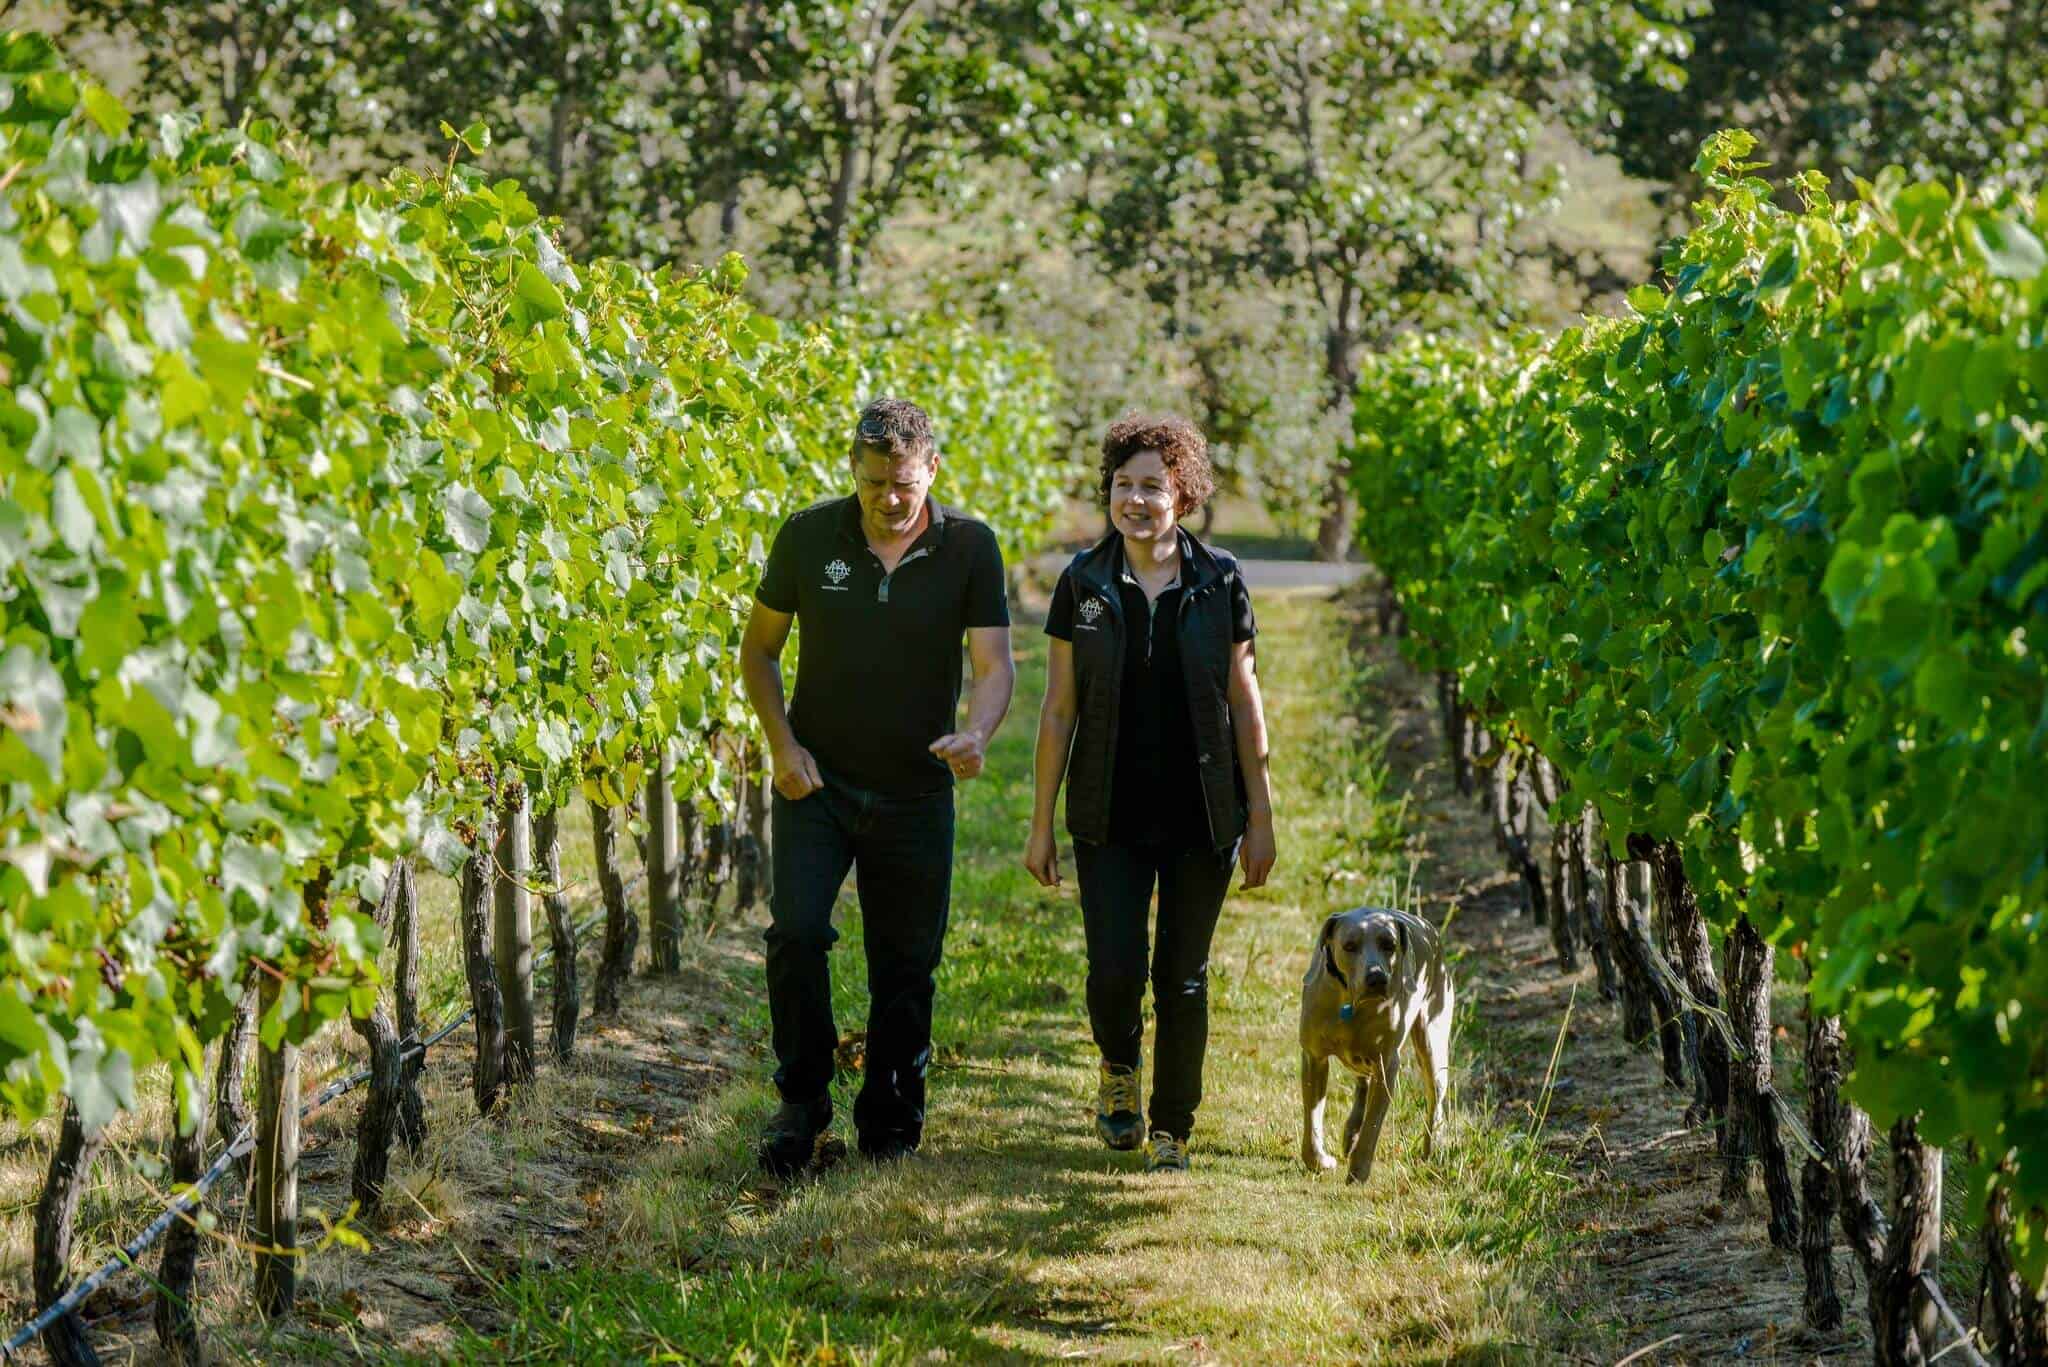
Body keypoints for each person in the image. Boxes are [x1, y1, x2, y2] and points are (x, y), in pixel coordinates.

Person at [740, 397, 1015, 1175]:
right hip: (817, 780)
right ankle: (801, 1103)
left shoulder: (971, 547)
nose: (889, 501)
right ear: (852, 473)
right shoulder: (806, 535)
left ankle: (892, 1115)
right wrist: (782, 743)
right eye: (872, 485)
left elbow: (995, 665)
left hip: (916, 787)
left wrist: (978, 732)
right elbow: (759, 651)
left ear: (932, 469)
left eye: (903, 484)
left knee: (906, 961)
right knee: (795, 933)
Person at [1024, 413, 1277, 1174]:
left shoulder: (1221, 579)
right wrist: (1041, 823)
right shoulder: (1082, 582)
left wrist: (1261, 817)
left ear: (1183, 493)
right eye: (1124, 485)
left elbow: (1244, 697)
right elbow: (1059, 705)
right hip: (1108, 811)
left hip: (1204, 813)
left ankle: (1173, 1126)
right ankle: (1119, 1071)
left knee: (1182, 975)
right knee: (1113, 971)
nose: (1136, 500)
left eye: (1153, 486)